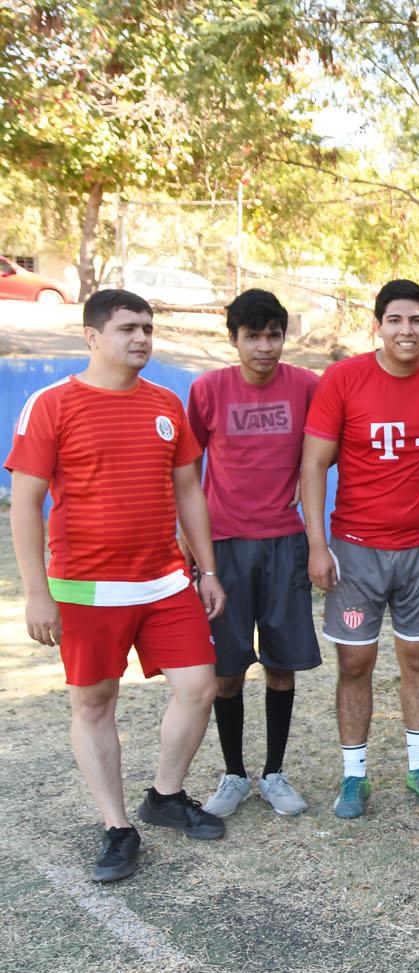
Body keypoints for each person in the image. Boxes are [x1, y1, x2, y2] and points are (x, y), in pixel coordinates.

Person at [8, 289, 228, 881]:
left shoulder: (165, 404)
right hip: (86, 590)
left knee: (200, 687)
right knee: (95, 702)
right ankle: (116, 825)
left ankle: (165, 795)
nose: (141, 339)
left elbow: (189, 492)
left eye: (148, 329)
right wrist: (37, 591)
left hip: (164, 581)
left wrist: (206, 571)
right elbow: (25, 505)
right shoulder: (51, 405)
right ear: (92, 336)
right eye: (128, 327)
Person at [301, 279, 419, 819]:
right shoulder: (344, 379)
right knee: (355, 663)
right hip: (356, 551)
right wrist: (317, 546)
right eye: (395, 320)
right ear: (377, 325)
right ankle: (354, 776)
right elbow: (314, 466)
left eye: (417, 320)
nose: (406, 330)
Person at [188, 289, 322, 820]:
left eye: (274, 335)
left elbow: (324, 453)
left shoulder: (308, 387)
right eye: (253, 336)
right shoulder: (207, 391)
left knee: (281, 665)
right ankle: (234, 774)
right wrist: (195, 555)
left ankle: (274, 773)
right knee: (226, 669)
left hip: (285, 543)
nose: (265, 346)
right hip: (224, 546)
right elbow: (184, 475)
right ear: (234, 339)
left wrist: (302, 487)